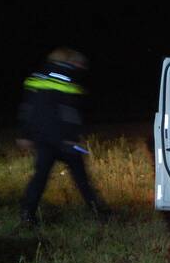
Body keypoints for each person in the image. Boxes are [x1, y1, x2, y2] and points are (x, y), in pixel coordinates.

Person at [18, 47, 109, 229]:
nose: (82, 67)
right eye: (80, 63)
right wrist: (72, 138)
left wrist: (25, 135)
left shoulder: (37, 77)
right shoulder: (68, 78)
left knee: (39, 178)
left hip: (43, 139)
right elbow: (70, 113)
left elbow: (27, 110)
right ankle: (99, 212)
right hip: (65, 140)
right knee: (82, 179)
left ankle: (27, 214)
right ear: (70, 61)